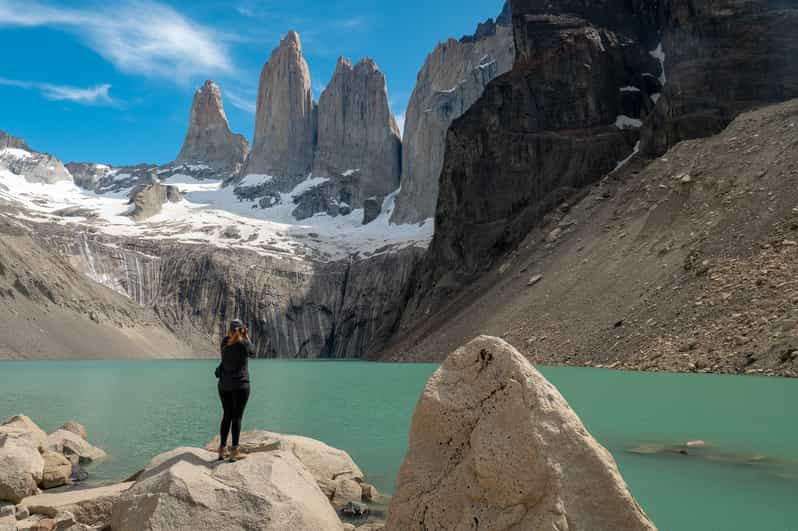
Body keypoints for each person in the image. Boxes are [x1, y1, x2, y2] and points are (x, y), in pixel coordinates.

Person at [215, 319, 254, 461]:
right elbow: (253, 352)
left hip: (224, 385)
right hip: (240, 385)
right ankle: (234, 451)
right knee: (237, 417)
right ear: (242, 329)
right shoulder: (243, 342)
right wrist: (247, 335)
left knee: (227, 416)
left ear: (230, 329)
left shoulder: (224, 341)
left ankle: (222, 449)